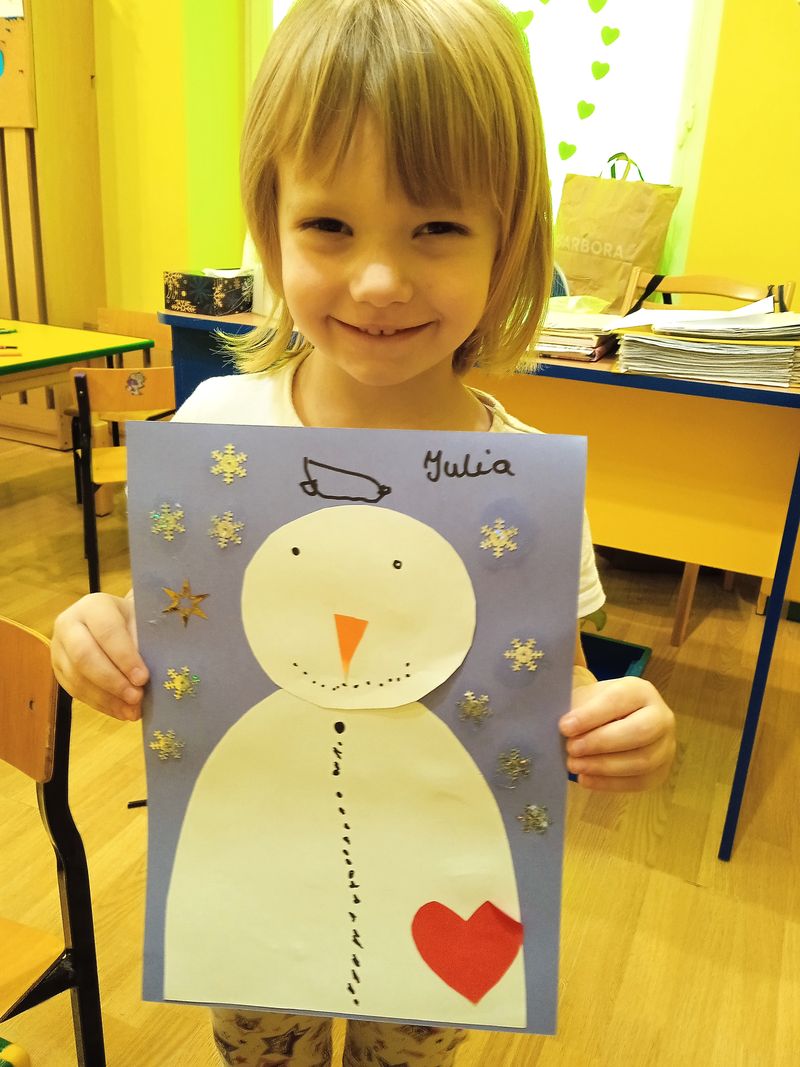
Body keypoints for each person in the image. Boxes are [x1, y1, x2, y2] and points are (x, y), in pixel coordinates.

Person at [51, 1, 676, 1064]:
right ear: (270, 225)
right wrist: (96, 633)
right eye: (330, 226)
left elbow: (556, 683)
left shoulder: (523, 487)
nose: (379, 280)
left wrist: (623, 725)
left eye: (436, 228)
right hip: (253, 882)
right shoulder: (215, 433)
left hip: (436, 893)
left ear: (508, 240)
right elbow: (162, 627)